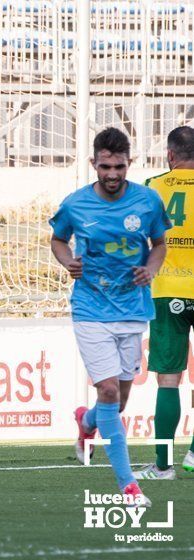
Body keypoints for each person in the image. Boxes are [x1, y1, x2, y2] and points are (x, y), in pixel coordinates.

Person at [50, 127, 169, 505]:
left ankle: (86, 422)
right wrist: (68, 261)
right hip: (91, 308)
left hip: (133, 309)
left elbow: (159, 244)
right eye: (105, 166)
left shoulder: (148, 202)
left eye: (119, 166)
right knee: (107, 390)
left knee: (116, 403)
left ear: (128, 164)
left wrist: (151, 269)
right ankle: (129, 488)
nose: (112, 174)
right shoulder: (75, 204)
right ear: (94, 164)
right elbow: (57, 239)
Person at [134, 126, 194, 480]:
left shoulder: (153, 187)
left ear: (170, 156)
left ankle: (163, 465)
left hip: (167, 290)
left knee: (169, 380)